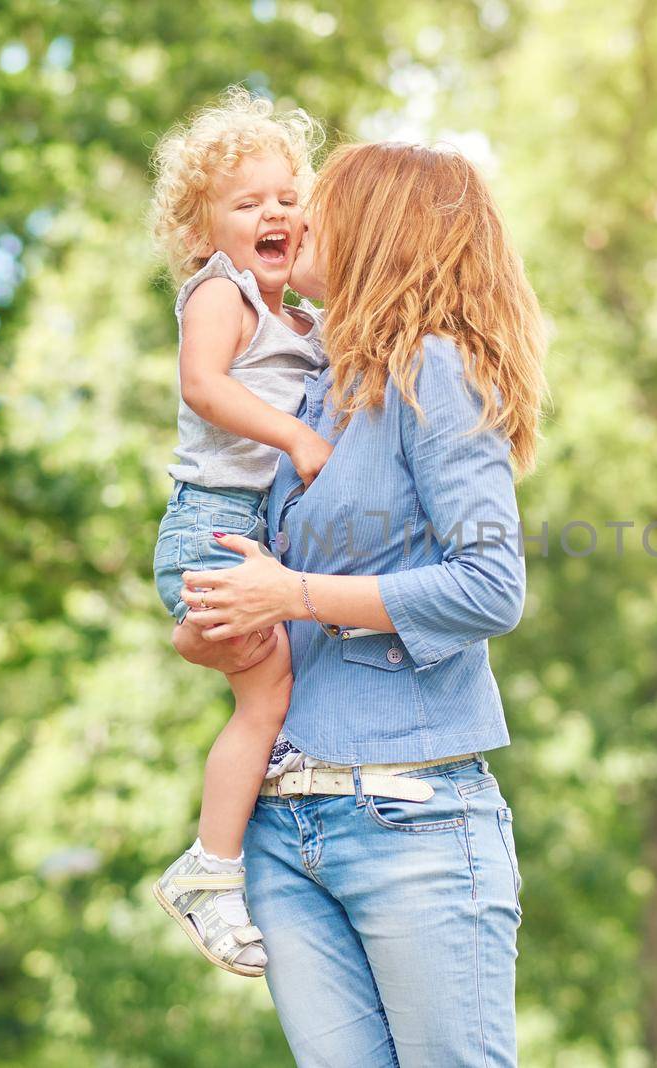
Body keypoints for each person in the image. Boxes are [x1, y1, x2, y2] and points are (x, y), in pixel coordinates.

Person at [172, 141, 547, 1066]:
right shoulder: (313, 391)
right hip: (284, 831)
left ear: (376, 229)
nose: (298, 219)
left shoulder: (438, 370)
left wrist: (292, 591)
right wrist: (218, 623)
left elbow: (492, 585)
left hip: (411, 821)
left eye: (318, 202)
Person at [143, 87, 331, 977]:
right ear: (202, 230)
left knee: (274, 698)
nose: (273, 213)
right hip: (213, 527)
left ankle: (229, 863)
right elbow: (205, 388)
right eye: (247, 202)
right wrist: (296, 434)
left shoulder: (302, 318)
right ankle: (209, 873)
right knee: (266, 698)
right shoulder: (219, 294)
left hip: (259, 539)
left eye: (286, 198)